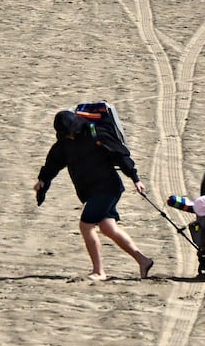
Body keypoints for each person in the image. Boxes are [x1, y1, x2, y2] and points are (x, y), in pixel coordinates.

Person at [34, 110, 154, 281]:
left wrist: (135, 178)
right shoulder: (64, 143)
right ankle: (143, 261)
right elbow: (53, 162)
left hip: (108, 187)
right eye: (65, 134)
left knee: (86, 225)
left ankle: (99, 271)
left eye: (70, 132)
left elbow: (119, 154)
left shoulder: (95, 133)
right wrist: (43, 180)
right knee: (108, 228)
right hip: (91, 191)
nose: (69, 136)